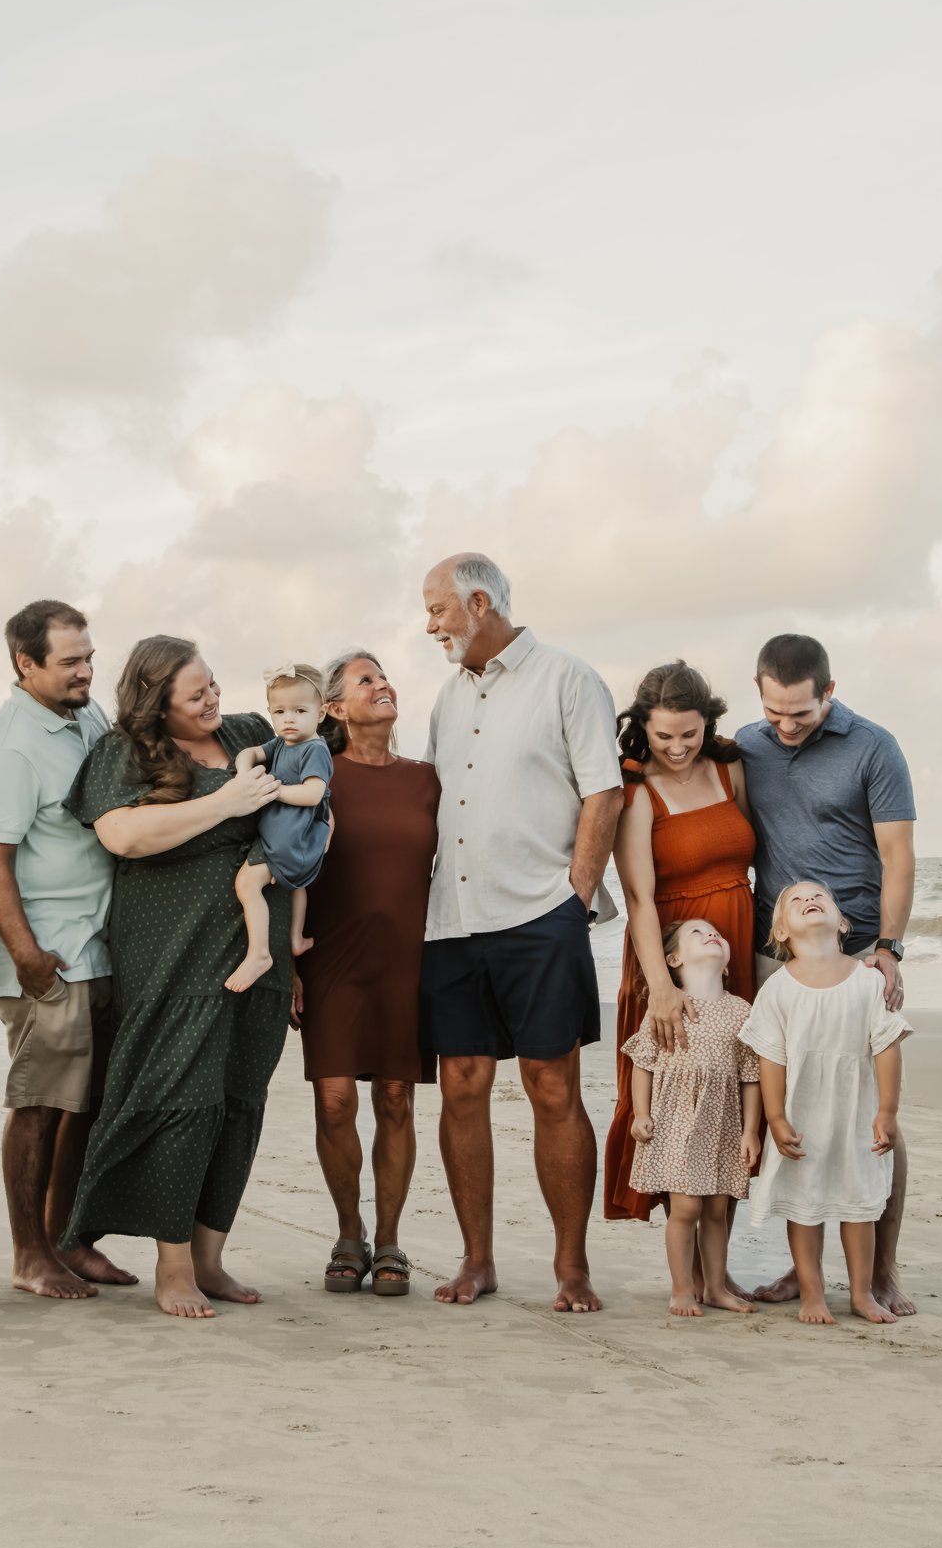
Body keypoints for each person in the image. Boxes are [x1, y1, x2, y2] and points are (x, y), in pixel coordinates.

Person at [63, 635, 290, 1319]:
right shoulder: (125, 752)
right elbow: (123, 836)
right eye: (196, 694)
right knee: (182, 1095)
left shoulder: (250, 733)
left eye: (214, 683)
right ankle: (172, 1266)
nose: (214, 699)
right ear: (157, 705)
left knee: (240, 1096)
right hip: (171, 945)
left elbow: (314, 760)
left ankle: (210, 1256)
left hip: (261, 946)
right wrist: (228, 801)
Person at [418, 553, 622, 1312]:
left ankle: (572, 1266)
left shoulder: (568, 678)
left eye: (437, 609)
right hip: (452, 920)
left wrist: (574, 895)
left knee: (551, 1085)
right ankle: (478, 1260)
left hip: (541, 915)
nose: (430, 623)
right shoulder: (446, 695)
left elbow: (605, 791)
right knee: (461, 1085)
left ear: (478, 602)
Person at [731, 633, 919, 1315]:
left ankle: (883, 1270)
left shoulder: (874, 746)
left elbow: (898, 855)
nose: (784, 726)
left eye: (801, 714)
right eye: (773, 711)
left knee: (873, 1117)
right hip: (777, 953)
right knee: (796, 1111)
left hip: (861, 947)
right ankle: (801, 1268)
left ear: (829, 693)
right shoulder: (747, 745)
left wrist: (890, 947)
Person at [0, 600, 137, 1299]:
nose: (86, 671)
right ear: (26, 663)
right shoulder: (12, 743)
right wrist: (27, 955)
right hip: (49, 957)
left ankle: (70, 1237)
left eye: (89, 657)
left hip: (95, 946)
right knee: (40, 1103)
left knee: (87, 1103)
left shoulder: (84, 715)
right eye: (70, 661)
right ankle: (28, 1252)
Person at [292, 651, 438, 1297]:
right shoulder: (316, 779)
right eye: (365, 681)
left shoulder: (427, 779)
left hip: (408, 959)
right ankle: (349, 1231)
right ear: (335, 708)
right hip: (329, 957)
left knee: (397, 1099)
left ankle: (390, 1240)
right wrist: (289, 963)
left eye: (384, 677)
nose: (382, 686)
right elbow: (285, 868)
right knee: (334, 1101)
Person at [604, 662, 759, 1272]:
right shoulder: (638, 792)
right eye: (663, 735)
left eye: (688, 734)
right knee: (674, 1101)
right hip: (668, 952)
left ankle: (717, 1269)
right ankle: (685, 1269)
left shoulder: (730, 770)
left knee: (726, 1092)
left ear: (708, 723)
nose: (676, 747)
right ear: (644, 727)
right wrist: (661, 988)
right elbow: (639, 898)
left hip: (733, 946)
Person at [742, 880, 911, 1325]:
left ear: (842, 921)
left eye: (819, 897)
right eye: (795, 901)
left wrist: (887, 1112)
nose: (808, 900)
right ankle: (812, 1292)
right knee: (804, 1206)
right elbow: (771, 1058)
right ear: (781, 932)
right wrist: (775, 1117)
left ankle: (860, 1293)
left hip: (855, 1113)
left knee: (859, 1206)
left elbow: (888, 1047)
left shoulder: (868, 981)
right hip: (803, 1117)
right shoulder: (778, 988)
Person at [620, 918, 760, 1318]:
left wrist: (751, 1130)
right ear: (673, 958)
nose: (712, 934)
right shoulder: (666, 1006)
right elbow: (642, 1063)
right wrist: (641, 1113)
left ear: (728, 964)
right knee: (685, 1209)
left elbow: (751, 1076)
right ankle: (682, 1288)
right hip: (676, 1121)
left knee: (717, 1210)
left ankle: (715, 1287)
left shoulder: (741, 1011)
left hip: (723, 1124)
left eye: (717, 932)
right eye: (697, 933)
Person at [226, 663, 334, 993]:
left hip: (287, 837)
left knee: (246, 884)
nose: (288, 719)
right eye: (279, 711)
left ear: (322, 713)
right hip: (294, 839)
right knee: (297, 885)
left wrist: (273, 790)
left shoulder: (314, 749)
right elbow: (250, 753)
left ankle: (259, 953)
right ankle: (296, 938)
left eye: (300, 711)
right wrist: (245, 771)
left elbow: (314, 792)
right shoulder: (281, 743)